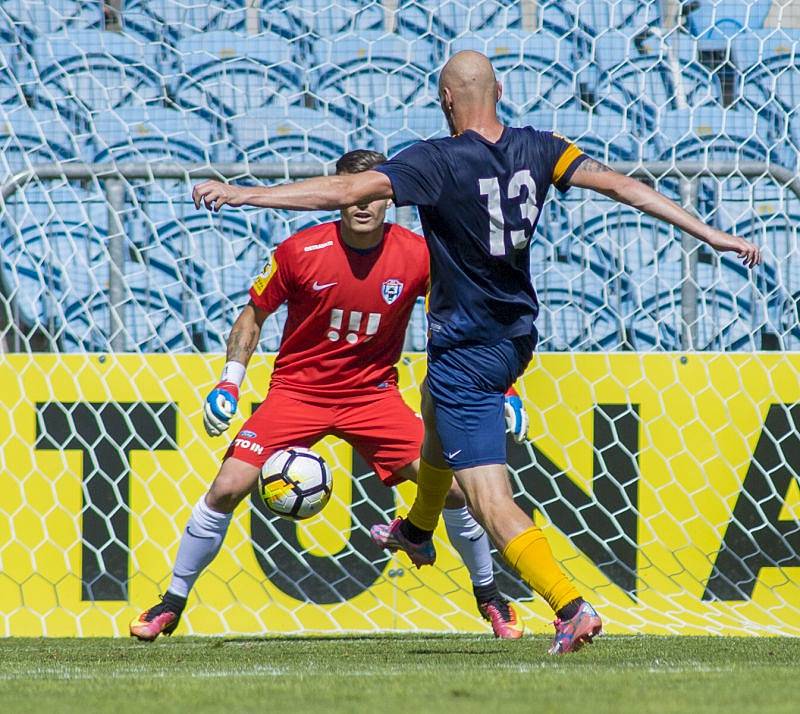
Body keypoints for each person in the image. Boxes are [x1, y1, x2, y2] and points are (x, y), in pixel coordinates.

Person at [190, 52, 762, 654]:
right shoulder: (542, 147)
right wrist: (711, 234)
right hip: (515, 336)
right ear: (500, 90)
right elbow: (623, 187)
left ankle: (570, 607)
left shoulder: (436, 160)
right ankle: (417, 528)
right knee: (432, 408)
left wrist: (243, 192)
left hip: (469, 347)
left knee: (490, 500)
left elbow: (347, 188)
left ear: (445, 98)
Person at [130, 149, 528, 642]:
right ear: (337, 193)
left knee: (453, 489)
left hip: (373, 396)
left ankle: (489, 597)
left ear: (389, 197)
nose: (363, 204)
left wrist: (503, 386)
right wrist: (230, 380)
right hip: (297, 393)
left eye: (374, 194)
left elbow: (469, 321)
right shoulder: (299, 251)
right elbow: (253, 315)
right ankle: (170, 603)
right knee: (227, 487)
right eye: (351, 192)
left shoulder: (419, 255)